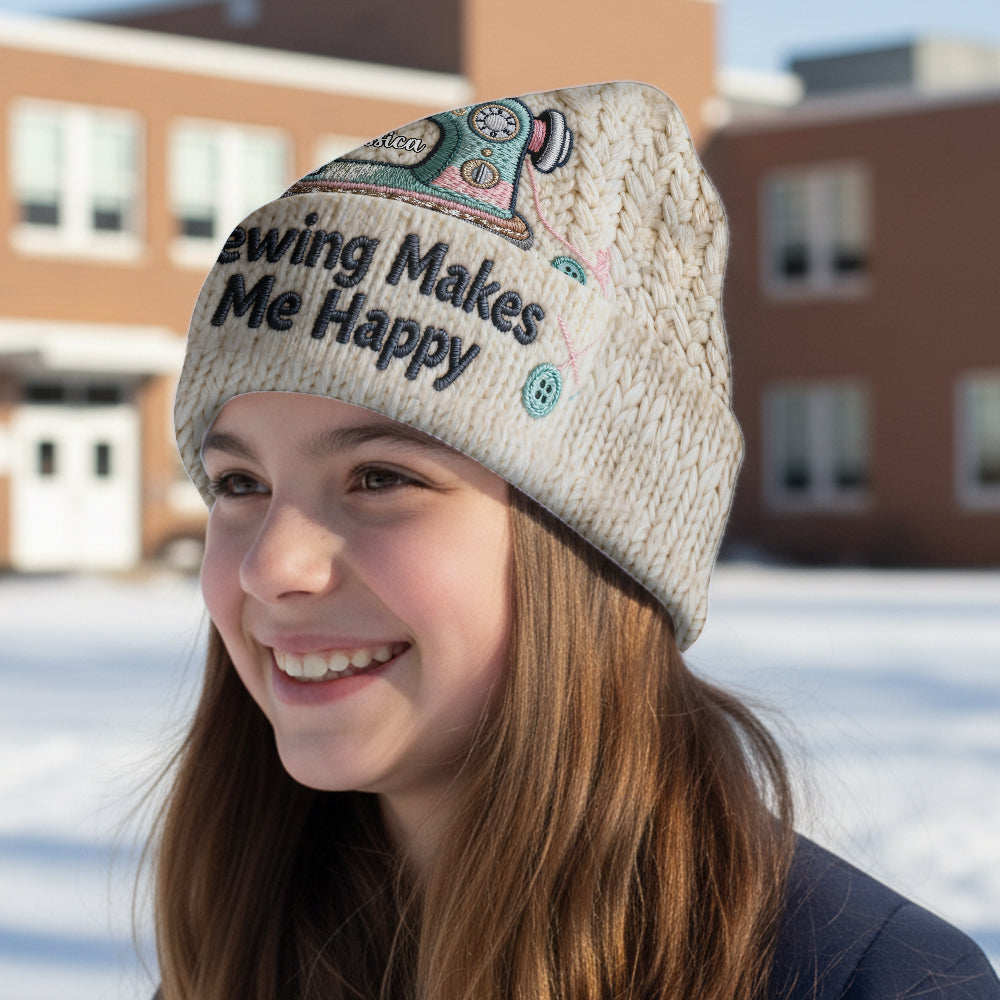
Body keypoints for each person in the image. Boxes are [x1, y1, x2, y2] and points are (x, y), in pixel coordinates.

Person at [160, 82, 999, 999]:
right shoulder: (243, 948)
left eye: (382, 478)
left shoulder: (876, 984)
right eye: (239, 484)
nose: (271, 565)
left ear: (597, 545)